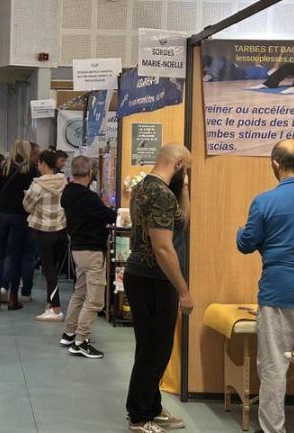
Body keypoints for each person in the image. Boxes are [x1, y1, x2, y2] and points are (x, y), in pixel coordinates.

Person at [237, 140, 294, 433]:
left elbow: (246, 244)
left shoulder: (264, 202)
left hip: (277, 294)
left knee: (274, 367)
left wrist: (239, 232)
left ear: (275, 163)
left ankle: (274, 429)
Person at [124, 143, 193, 433]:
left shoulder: (141, 187)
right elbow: (164, 248)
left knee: (150, 347)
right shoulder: (162, 195)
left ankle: (151, 406)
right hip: (154, 279)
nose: (186, 175)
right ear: (177, 164)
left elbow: (182, 222)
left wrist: (184, 187)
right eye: (186, 169)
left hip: (139, 276)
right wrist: (184, 291)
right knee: (156, 350)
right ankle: (139, 416)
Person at [60, 156, 116, 359]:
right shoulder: (88, 197)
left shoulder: (68, 192)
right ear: (91, 173)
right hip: (92, 251)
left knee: (80, 292)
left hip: (77, 248)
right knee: (94, 300)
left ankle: (69, 332)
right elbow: (110, 216)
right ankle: (81, 341)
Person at [0, 139, 38, 311]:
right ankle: (12, 298)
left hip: (2, 213)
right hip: (21, 216)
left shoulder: (4, 167)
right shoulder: (32, 169)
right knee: (16, 255)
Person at [22, 150, 68, 322]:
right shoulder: (63, 181)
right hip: (61, 229)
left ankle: (56, 309)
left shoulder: (37, 185)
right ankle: (50, 304)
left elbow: (26, 206)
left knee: (49, 270)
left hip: (43, 230)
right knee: (54, 269)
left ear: (42, 164)